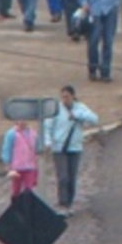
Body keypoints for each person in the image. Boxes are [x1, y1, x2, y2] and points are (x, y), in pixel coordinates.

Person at [45, 85, 98, 217]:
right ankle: (62, 204)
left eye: (67, 97)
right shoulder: (56, 109)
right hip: (59, 147)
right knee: (63, 177)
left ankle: (69, 203)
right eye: (62, 96)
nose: (65, 99)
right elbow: (47, 126)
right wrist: (48, 142)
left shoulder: (80, 108)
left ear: (73, 96)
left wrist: (78, 115)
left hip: (75, 147)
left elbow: (94, 119)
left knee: (72, 177)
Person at [1, 120, 39, 198]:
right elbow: (7, 149)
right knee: (16, 189)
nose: (22, 122)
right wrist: (7, 164)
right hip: (16, 167)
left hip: (30, 166)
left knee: (29, 189)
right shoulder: (11, 134)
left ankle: (27, 206)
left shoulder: (33, 133)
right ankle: (16, 206)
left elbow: (36, 149)